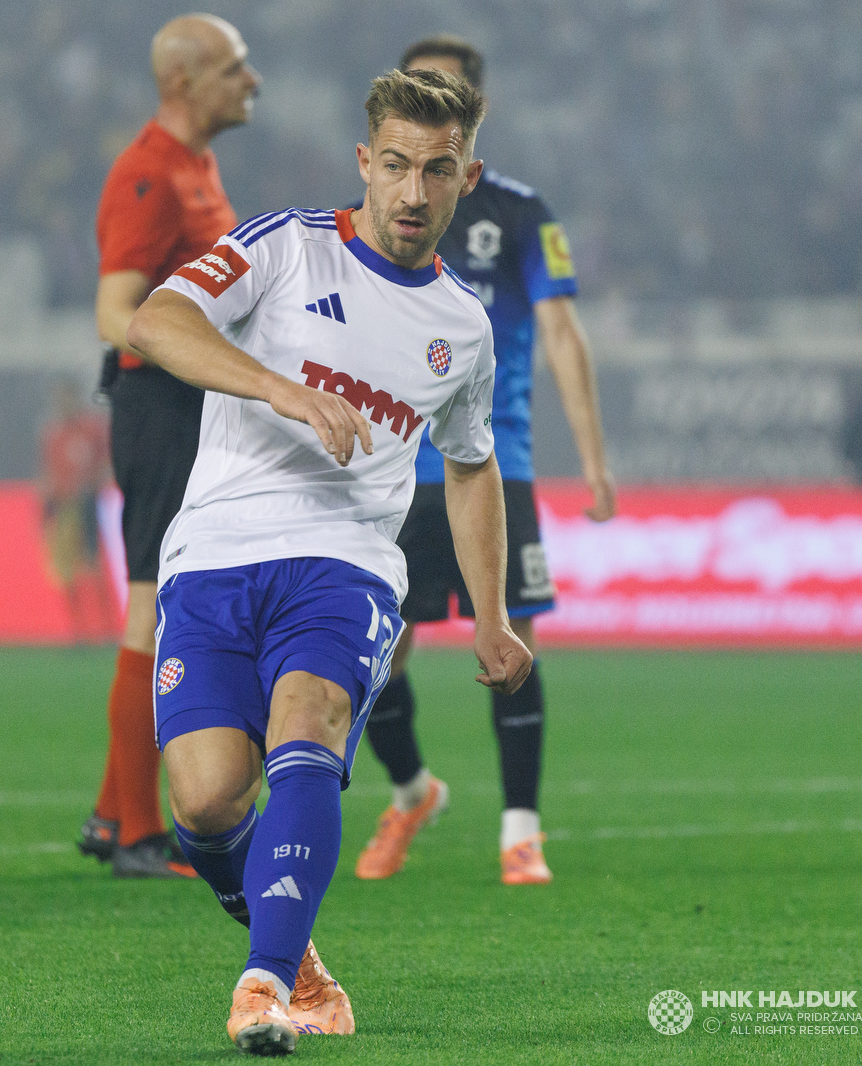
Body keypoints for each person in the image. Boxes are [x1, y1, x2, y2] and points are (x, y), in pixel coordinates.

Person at [128, 68, 531, 1053]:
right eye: (394, 164)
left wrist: (490, 612)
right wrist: (278, 388)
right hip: (214, 554)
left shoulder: (462, 328)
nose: (411, 192)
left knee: (308, 724)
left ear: (463, 177)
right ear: (365, 161)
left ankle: (260, 984)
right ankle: (299, 964)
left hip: (344, 564)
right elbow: (156, 321)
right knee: (206, 800)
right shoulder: (285, 246)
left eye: (436, 171)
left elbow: (471, 467)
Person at [352, 36, 617, 885]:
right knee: (378, 657)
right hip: (392, 470)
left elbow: (562, 331)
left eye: (448, 94)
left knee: (511, 644)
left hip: (497, 465)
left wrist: (595, 459)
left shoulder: (519, 212)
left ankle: (520, 829)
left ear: (475, 115)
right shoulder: (372, 213)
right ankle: (412, 790)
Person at [78, 13, 261, 878]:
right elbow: (117, 310)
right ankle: (142, 833)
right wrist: (191, 354)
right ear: (186, 82)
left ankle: (116, 809)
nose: (251, 82)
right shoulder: (149, 173)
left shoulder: (196, 165)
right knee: (153, 601)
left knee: (168, 596)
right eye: (235, 68)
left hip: (191, 404)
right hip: (160, 406)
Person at [39, 379, 118, 642]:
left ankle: (107, 628)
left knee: (93, 566)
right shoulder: (54, 433)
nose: (64, 405)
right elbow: (48, 472)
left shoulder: (89, 429)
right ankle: (78, 629)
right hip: (63, 506)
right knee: (66, 570)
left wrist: (94, 487)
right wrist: (46, 506)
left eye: (68, 398)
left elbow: (106, 462)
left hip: (86, 502)